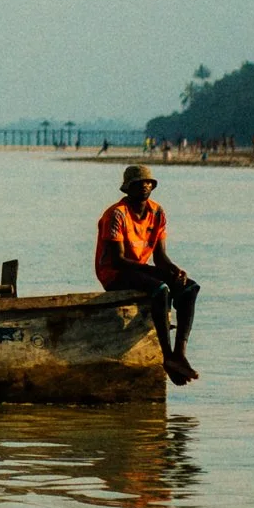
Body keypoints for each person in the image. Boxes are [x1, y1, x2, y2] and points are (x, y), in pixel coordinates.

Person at [95, 164, 199, 384]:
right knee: (160, 289)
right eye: (138, 183)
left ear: (152, 186)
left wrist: (174, 270)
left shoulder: (157, 212)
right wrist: (158, 274)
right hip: (114, 274)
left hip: (139, 270)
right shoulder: (117, 214)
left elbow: (160, 256)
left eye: (147, 183)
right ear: (128, 188)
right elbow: (118, 261)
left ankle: (179, 353)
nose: (144, 186)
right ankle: (167, 355)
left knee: (189, 287)